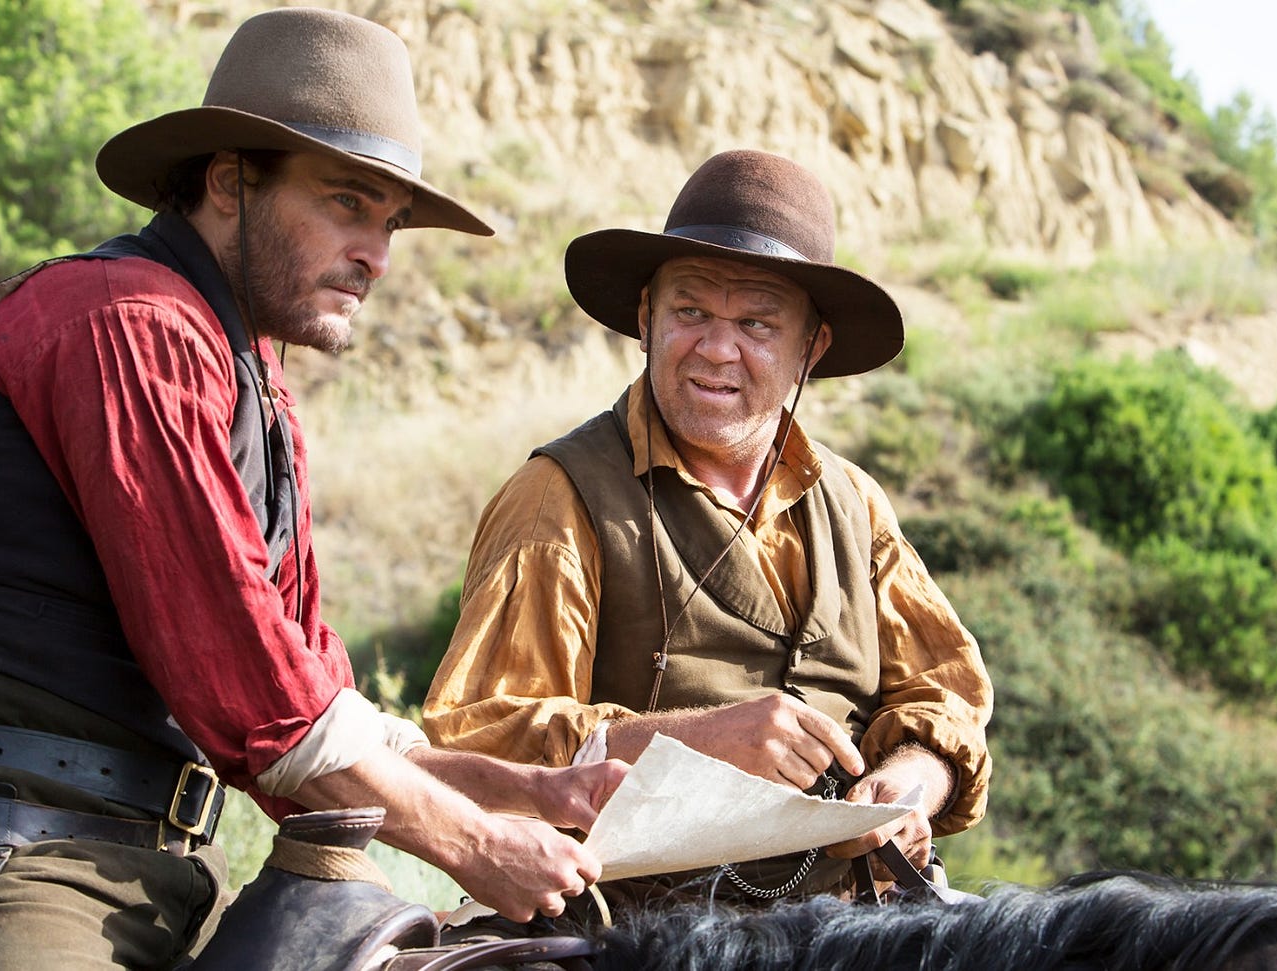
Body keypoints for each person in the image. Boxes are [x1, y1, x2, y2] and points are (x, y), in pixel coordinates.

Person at [0, 9, 623, 968]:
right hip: (2, 855)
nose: (376, 254)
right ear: (228, 182)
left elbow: (314, 695)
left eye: (389, 223)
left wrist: (519, 792)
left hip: (149, 869)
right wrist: (474, 842)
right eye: (347, 203)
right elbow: (260, 701)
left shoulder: (249, 376)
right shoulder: (128, 323)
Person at [424, 149, 993, 916]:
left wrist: (913, 782)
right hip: (637, 931)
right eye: (691, 312)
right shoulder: (558, 497)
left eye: (757, 323)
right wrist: (696, 741)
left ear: (811, 348)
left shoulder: (855, 504)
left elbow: (946, 693)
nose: (718, 349)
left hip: (858, 921)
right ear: (646, 319)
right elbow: (476, 742)